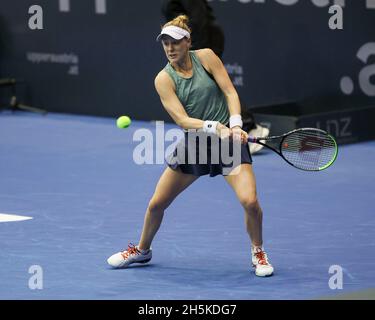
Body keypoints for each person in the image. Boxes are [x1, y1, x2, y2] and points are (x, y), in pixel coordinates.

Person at [107, 15, 274, 277]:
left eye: (175, 42)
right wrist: (213, 127)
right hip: (196, 144)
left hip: (228, 146)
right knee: (156, 204)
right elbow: (183, 120)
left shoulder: (206, 57)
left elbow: (230, 92)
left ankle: (258, 251)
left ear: (187, 42)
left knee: (250, 202)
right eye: (165, 43)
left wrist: (236, 124)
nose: (170, 48)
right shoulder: (163, 79)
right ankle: (142, 250)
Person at [160, 0, 269, 154]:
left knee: (213, 83)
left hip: (203, 38)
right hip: (195, 39)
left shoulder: (200, 53)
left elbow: (198, 18)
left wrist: (194, 53)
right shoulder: (162, 78)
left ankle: (248, 126)